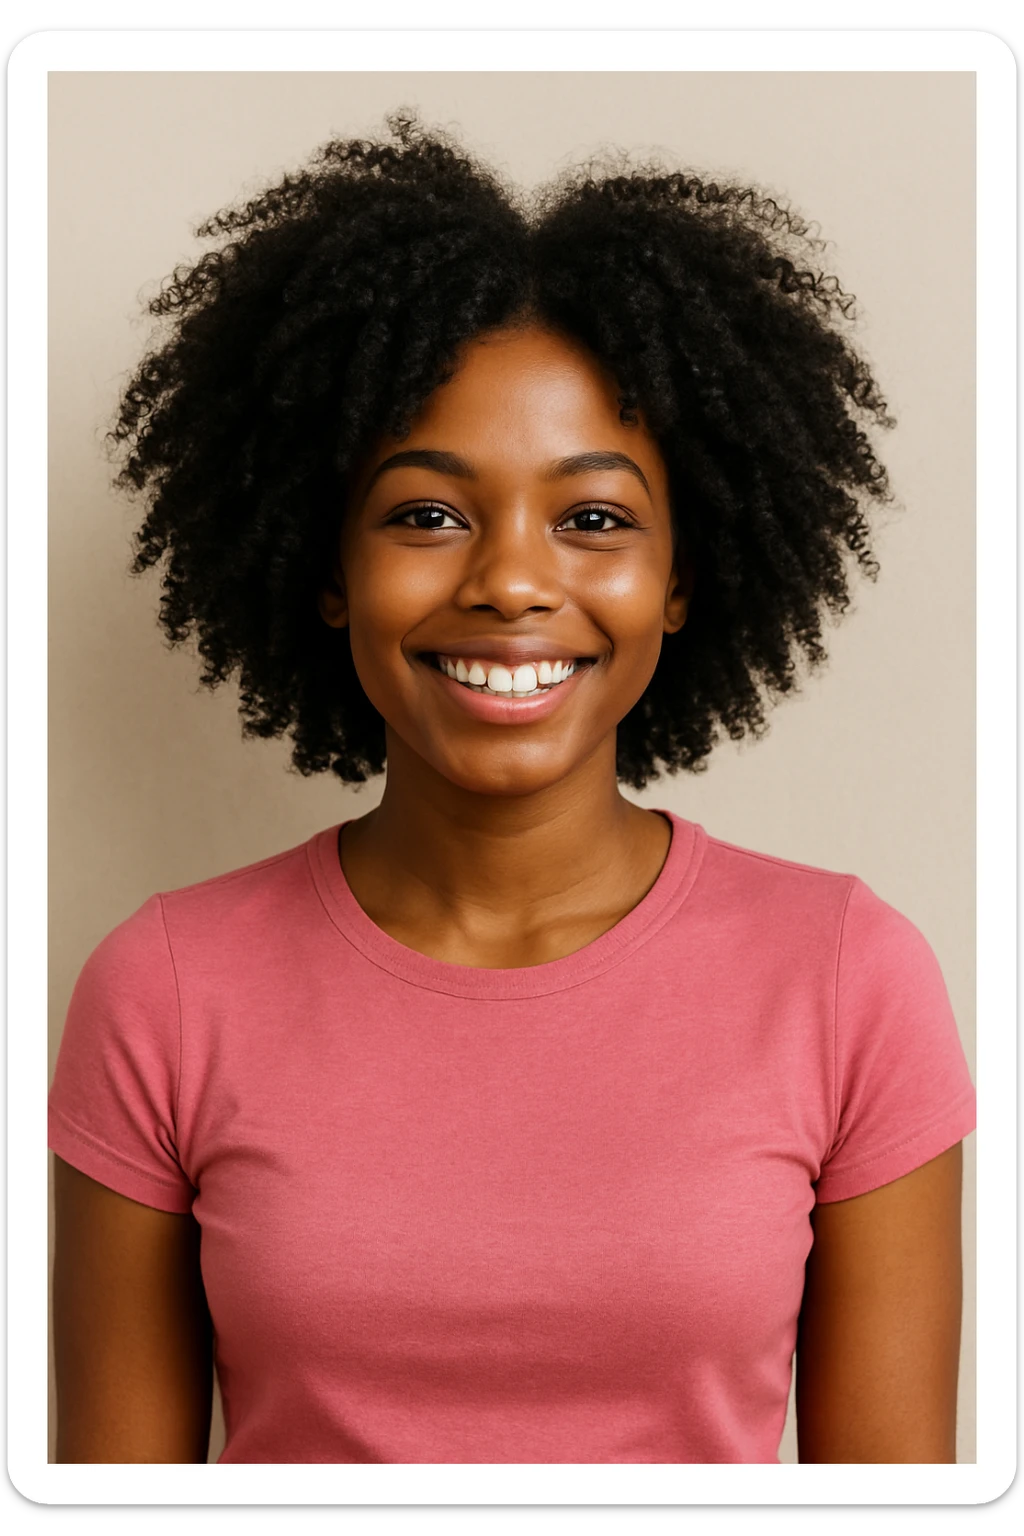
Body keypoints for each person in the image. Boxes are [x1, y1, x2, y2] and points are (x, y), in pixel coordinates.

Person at [49, 110, 976, 1465]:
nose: (511, 580)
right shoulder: (167, 990)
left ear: (679, 583)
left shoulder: (847, 979)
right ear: (326, 569)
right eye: (426, 513)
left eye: (593, 518)